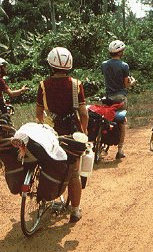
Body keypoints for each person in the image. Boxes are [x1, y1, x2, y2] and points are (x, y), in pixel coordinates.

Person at [36, 47, 88, 223]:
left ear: (51, 65)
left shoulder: (43, 85)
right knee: (74, 173)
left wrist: (45, 127)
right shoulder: (76, 84)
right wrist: (85, 132)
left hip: (52, 133)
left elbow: (39, 113)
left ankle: (49, 197)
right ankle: (75, 211)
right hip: (73, 134)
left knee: (49, 166)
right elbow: (83, 112)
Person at [102, 40, 136, 159]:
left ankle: (101, 146)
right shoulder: (124, 66)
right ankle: (120, 150)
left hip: (108, 97)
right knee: (121, 123)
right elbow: (126, 84)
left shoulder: (104, 64)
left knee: (106, 120)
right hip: (120, 97)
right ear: (120, 52)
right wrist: (132, 82)